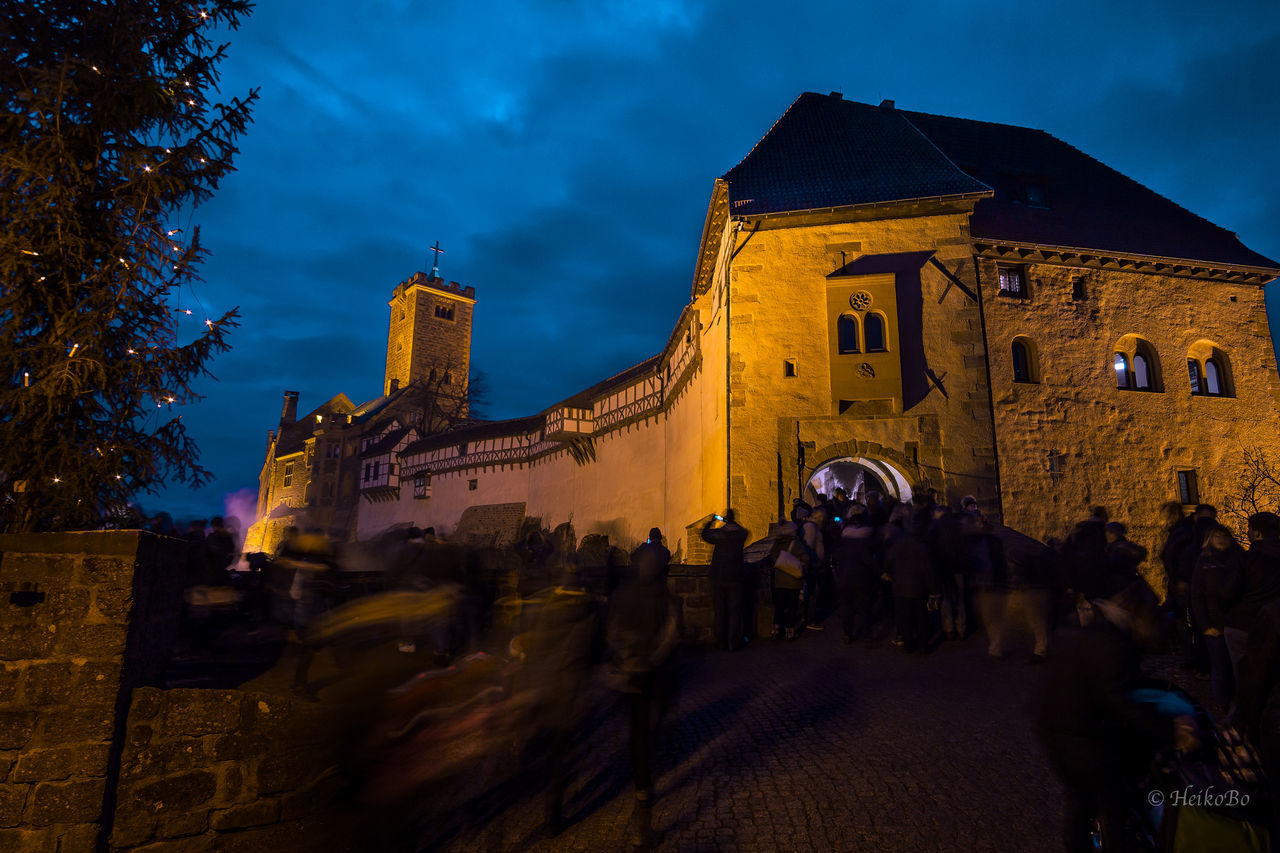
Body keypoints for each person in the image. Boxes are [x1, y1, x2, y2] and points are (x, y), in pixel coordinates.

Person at [1036, 581, 1198, 853]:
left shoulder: (1088, 630)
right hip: (1082, 738)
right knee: (1111, 804)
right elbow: (1119, 701)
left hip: (1055, 727)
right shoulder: (1113, 643)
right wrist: (1171, 730)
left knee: (1080, 800)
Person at [609, 533, 681, 850]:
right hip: (654, 675)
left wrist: (627, 658)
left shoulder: (623, 594)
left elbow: (612, 632)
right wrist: (652, 660)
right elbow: (672, 633)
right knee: (649, 734)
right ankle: (643, 818)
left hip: (633, 674)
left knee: (638, 736)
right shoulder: (666, 595)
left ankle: (640, 781)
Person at [1190, 524, 1245, 713]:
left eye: (1224, 536)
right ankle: (1222, 704)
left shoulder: (1239, 559)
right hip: (1215, 624)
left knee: (1238, 666)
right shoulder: (1204, 562)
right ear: (1210, 539)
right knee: (1220, 665)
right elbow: (1196, 595)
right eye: (1216, 536)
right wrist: (1205, 624)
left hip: (1237, 622)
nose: (1221, 539)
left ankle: (1241, 703)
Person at [1223, 512, 1280, 686]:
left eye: (1249, 529)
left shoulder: (1245, 559)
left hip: (1244, 625)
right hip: (1275, 625)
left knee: (1247, 681)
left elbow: (1228, 593)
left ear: (1256, 533)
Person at [883, 507, 938, 653]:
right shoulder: (923, 545)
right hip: (919, 588)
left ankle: (908, 645)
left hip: (900, 587)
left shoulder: (897, 543)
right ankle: (923, 646)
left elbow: (888, 561)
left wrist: (891, 574)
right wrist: (933, 591)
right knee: (922, 619)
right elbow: (929, 570)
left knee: (905, 618)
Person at [702, 511, 749, 652]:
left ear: (725, 520)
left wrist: (711, 522)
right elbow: (743, 530)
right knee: (734, 611)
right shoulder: (741, 534)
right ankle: (732, 643)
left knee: (720, 611)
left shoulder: (720, 535)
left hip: (719, 577)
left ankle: (721, 642)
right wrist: (731, 522)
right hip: (735, 577)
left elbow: (704, 535)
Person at [832, 509, 878, 644]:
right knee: (864, 608)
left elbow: (835, 557)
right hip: (862, 580)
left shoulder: (843, 541)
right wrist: (881, 573)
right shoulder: (865, 541)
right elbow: (869, 561)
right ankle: (866, 635)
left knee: (847, 608)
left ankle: (847, 633)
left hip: (844, 580)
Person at [1102, 522, 1147, 598]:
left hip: (1119, 588)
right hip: (1129, 584)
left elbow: (1114, 564)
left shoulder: (1118, 548)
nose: (1105, 535)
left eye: (1107, 532)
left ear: (1113, 533)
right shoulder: (1125, 546)